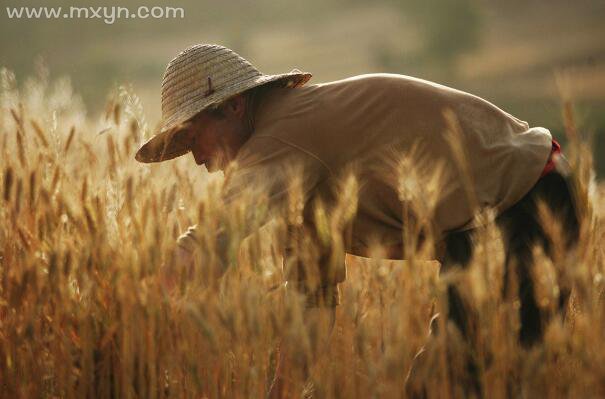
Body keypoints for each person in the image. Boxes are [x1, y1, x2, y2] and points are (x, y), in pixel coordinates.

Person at [135, 44, 579, 389]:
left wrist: (150, 297)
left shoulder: (286, 134)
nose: (194, 159)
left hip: (527, 203)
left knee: (449, 385)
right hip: (499, 217)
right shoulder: (294, 172)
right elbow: (312, 299)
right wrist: (284, 389)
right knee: (456, 384)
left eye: (193, 137)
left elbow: (220, 233)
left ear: (233, 106)